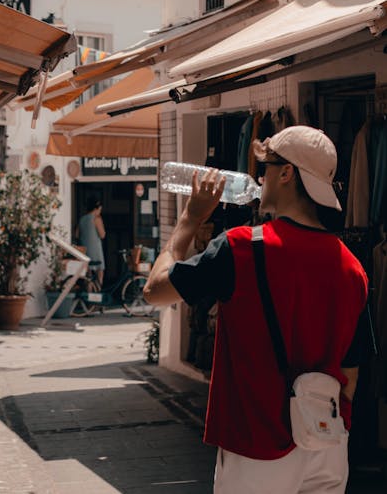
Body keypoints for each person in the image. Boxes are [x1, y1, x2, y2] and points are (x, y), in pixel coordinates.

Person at [144, 126, 368, 494]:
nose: (258, 177)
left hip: (256, 444)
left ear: (287, 173)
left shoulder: (241, 249)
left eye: (266, 167)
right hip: (327, 442)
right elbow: (351, 376)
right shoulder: (352, 267)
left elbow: (156, 291)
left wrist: (190, 219)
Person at [77, 195, 106, 286]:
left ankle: (88, 293)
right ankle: (98, 292)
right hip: (95, 250)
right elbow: (102, 235)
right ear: (97, 208)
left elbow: (76, 234)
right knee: (99, 271)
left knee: (88, 274)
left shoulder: (82, 219)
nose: (100, 211)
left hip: (85, 250)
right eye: (100, 209)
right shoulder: (96, 219)